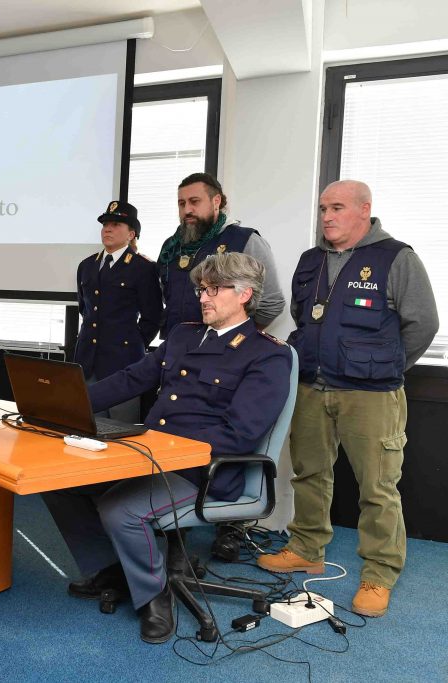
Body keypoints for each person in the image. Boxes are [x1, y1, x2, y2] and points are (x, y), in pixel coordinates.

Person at [43, 253, 292, 643]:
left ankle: (154, 596)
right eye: (201, 289)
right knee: (58, 482)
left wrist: (168, 449)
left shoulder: (267, 354)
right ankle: (114, 569)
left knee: (119, 510)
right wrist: (66, 404)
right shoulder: (183, 335)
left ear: (244, 294)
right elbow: (132, 378)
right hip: (152, 455)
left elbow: (241, 433)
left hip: (204, 470)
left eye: (213, 290)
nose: (203, 298)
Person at [257, 180, 438, 618]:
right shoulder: (311, 260)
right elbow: (304, 317)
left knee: (377, 486)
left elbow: (423, 324)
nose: (327, 217)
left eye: (337, 208)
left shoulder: (396, 257)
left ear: (364, 210)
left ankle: (380, 572)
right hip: (312, 386)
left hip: (370, 393)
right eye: (323, 208)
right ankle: (306, 548)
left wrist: (385, 364)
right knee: (309, 473)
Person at [157, 173, 285, 338]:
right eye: (182, 204)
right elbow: (165, 298)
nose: (187, 210)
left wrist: (236, 337)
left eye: (194, 201)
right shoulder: (170, 247)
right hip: (174, 346)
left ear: (216, 201)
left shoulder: (245, 240)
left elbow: (271, 304)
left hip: (224, 349)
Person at [74, 200, 162, 422]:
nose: (108, 229)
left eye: (116, 224)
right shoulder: (87, 266)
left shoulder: (143, 268)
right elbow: (85, 309)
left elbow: (153, 317)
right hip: (88, 361)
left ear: (131, 234)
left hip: (124, 363)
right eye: (105, 225)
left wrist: (132, 343)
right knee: (87, 424)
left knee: (121, 427)